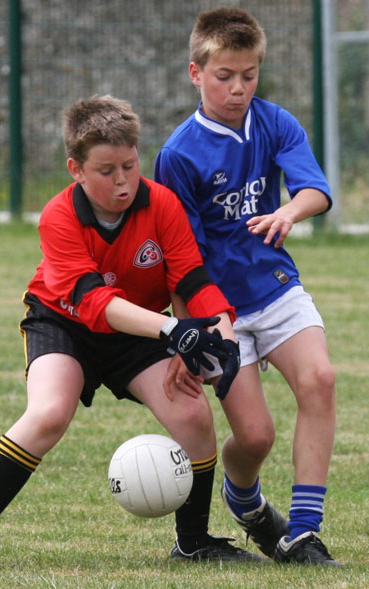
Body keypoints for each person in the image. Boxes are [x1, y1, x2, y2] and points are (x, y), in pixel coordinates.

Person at [0, 94, 261, 569]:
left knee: (194, 418)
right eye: (107, 171)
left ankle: (193, 542)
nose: (123, 181)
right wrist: (175, 331)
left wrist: (221, 335)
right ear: (75, 169)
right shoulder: (58, 216)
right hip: (64, 323)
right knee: (48, 413)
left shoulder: (161, 204)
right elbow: (95, 303)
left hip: (139, 333)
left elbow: (192, 279)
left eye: (130, 164)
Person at [154, 7, 343, 567]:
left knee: (321, 380)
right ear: (196, 73)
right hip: (220, 309)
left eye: (249, 75)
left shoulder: (274, 121)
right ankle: (246, 500)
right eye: (224, 76)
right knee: (254, 437)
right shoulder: (178, 154)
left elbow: (315, 191)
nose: (238, 88)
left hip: (276, 286)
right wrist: (189, 334)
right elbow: (179, 258)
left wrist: (289, 212)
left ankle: (303, 532)